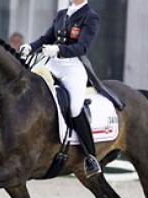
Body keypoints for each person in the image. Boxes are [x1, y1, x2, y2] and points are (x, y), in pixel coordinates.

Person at [20, 0, 123, 178]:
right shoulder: (62, 14)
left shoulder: (91, 16)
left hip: (72, 67)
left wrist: (58, 50)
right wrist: (31, 47)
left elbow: (82, 46)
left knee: (75, 107)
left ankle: (91, 157)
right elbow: (46, 39)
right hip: (52, 63)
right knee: (28, 92)